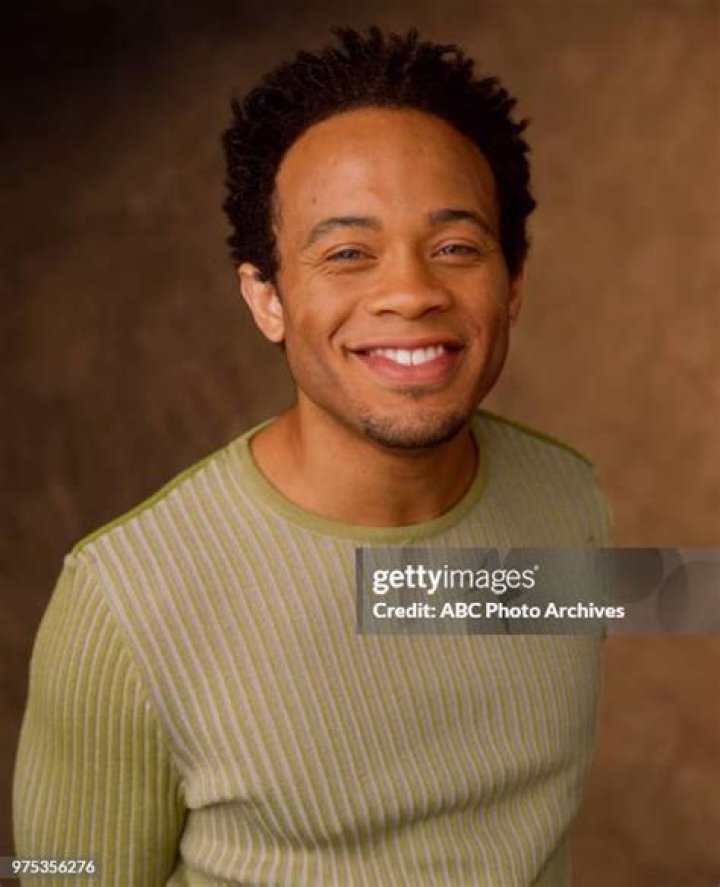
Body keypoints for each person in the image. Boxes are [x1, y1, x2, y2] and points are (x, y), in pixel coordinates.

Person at [13, 26, 611, 886]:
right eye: (347, 254)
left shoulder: (571, 502)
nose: (410, 291)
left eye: (454, 247)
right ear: (267, 298)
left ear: (512, 282)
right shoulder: (123, 601)